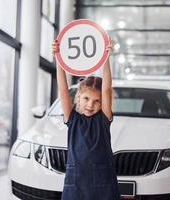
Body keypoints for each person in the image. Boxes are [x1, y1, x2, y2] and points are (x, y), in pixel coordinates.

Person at [52, 38, 121, 200]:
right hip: (76, 179)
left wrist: (106, 58)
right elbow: (62, 89)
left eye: (97, 101)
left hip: (102, 179)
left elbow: (107, 90)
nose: (91, 105)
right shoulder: (72, 118)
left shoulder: (103, 119)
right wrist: (58, 58)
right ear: (78, 97)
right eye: (86, 99)